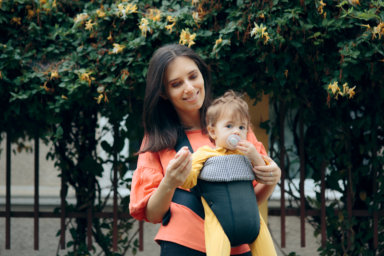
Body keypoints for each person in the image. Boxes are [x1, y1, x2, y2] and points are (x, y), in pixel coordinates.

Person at [129, 43, 281, 256]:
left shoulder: (234, 127)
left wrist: (271, 179)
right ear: (163, 93)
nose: (189, 88)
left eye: (193, 76)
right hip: (183, 247)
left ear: (202, 74)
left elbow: (249, 198)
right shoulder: (156, 141)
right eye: (176, 84)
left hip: (237, 246)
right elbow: (154, 214)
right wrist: (169, 182)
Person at [181, 90, 276, 255]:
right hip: (219, 225)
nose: (237, 132)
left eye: (242, 127)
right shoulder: (205, 154)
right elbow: (188, 181)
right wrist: (183, 166)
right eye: (229, 126)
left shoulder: (247, 155)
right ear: (212, 131)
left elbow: (264, 174)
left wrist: (255, 155)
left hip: (254, 222)